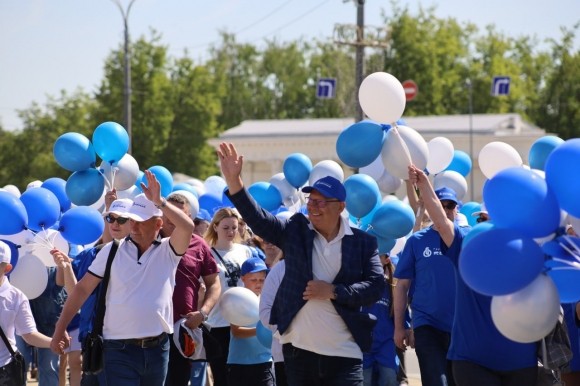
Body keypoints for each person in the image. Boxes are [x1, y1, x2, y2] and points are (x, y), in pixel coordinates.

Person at [217, 142, 384, 386]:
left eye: (321, 202)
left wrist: (334, 292)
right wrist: (235, 182)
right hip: (299, 354)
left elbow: (376, 286)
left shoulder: (363, 243)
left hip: (345, 356)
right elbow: (259, 219)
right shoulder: (296, 231)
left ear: (341, 206)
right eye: (311, 201)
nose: (313, 208)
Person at [50, 170, 194, 385]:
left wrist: (160, 201)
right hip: (117, 349)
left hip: (158, 349)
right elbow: (81, 290)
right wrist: (59, 329)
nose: (133, 226)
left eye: (140, 221)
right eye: (131, 220)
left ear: (158, 224)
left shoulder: (168, 251)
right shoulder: (110, 250)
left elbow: (187, 226)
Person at [408, 165, 538, 386]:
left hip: (520, 360)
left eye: (489, 218)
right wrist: (424, 185)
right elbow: (440, 221)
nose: (484, 225)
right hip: (473, 360)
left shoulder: (527, 250)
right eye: (481, 220)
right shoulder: (466, 245)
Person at [394, 178, 469, 386]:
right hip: (427, 325)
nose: (444, 210)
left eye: (450, 205)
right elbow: (402, 285)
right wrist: (400, 327)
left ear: (457, 209)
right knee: (437, 381)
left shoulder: (468, 238)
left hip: (462, 327)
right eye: (440, 204)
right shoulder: (416, 241)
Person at [162, 193, 221, 386]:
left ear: (189, 219)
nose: (174, 220)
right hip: (149, 329)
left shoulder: (199, 244)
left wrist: (203, 313)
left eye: (181, 216)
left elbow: (214, 283)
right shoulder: (147, 240)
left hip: (181, 330)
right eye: (170, 214)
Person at [0, 241, 68, 386]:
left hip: (4, 370)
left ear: (7, 268)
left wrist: (53, 342)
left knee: (48, 369)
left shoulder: (16, 297)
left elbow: (29, 334)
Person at [204, 207, 252, 386]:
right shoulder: (207, 253)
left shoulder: (244, 251)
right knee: (222, 376)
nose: (231, 232)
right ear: (215, 227)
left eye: (234, 227)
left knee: (243, 375)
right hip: (218, 322)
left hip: (244, 319)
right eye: (226, 228)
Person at [227, 257, 274, 386]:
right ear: (243, 278)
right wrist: (261, 331)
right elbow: (236, 331)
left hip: (264, 362)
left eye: (262, 280)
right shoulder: (237, 299)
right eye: (253, 280)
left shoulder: (268, 300)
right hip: (238, 363)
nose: (258, 283)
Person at [362, 253, 399, 386]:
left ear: (386, 260)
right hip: (363, 345)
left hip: (386, 343)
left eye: (378, 256)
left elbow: (400, 312)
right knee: (364, 381)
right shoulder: (359, 284)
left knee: (389, 378)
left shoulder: (392, 286)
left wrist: (405, 329)